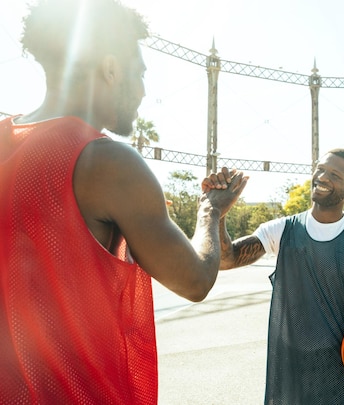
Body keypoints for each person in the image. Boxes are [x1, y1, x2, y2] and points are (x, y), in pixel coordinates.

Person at [0, 0, 247, 403]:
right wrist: (210, 210)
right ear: (111, 69)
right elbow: (196, 279)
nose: (144, 90)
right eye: (139, 72)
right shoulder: (104, 160)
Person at [210, 149, 344, 405]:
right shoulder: (283, 230)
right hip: (291, 375)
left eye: (334, 174)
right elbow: (227, 258)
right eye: (320, 169)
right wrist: (218, 213)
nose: (322, 177)